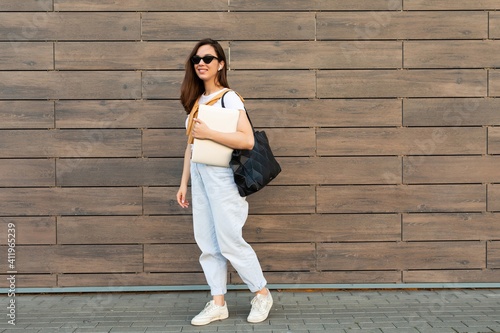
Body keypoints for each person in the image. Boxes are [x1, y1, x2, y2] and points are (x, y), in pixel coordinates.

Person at [176, 38, 273, 326]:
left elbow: (247, 139)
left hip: (222, 177)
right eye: (196, 59)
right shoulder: (197, 101)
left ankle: (262, 293)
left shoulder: (229, 97)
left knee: (230, 240)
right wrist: (183, 184)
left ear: (220, 64)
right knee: (207, 243)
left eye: (208, 58)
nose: (201, 63)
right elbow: (190, 147)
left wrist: (209, 134)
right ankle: (218, 302)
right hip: (200, 176)